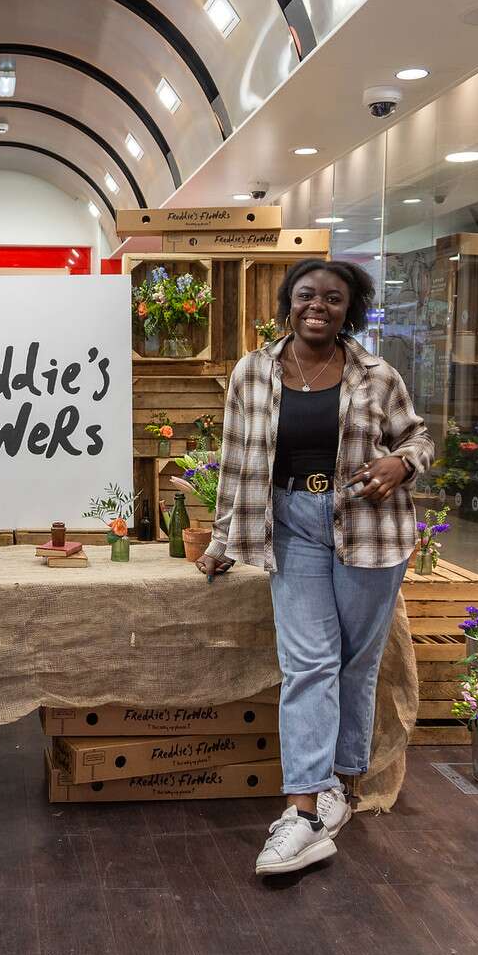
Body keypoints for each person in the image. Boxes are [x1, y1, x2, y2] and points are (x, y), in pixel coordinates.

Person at [195, 259, 434, 877]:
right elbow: (234, 462)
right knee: (309, 662)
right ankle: (301, 809)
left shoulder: (379, 376)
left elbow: (420, 440)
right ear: (288, 303)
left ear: (349, 309)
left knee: (356, 662)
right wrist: (223, 539)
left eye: (332, 298)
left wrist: (400, 466)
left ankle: (339, 785)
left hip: (369, 526)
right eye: (306, 297)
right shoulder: (253, 372)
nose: (317, 307)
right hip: (292, 523)